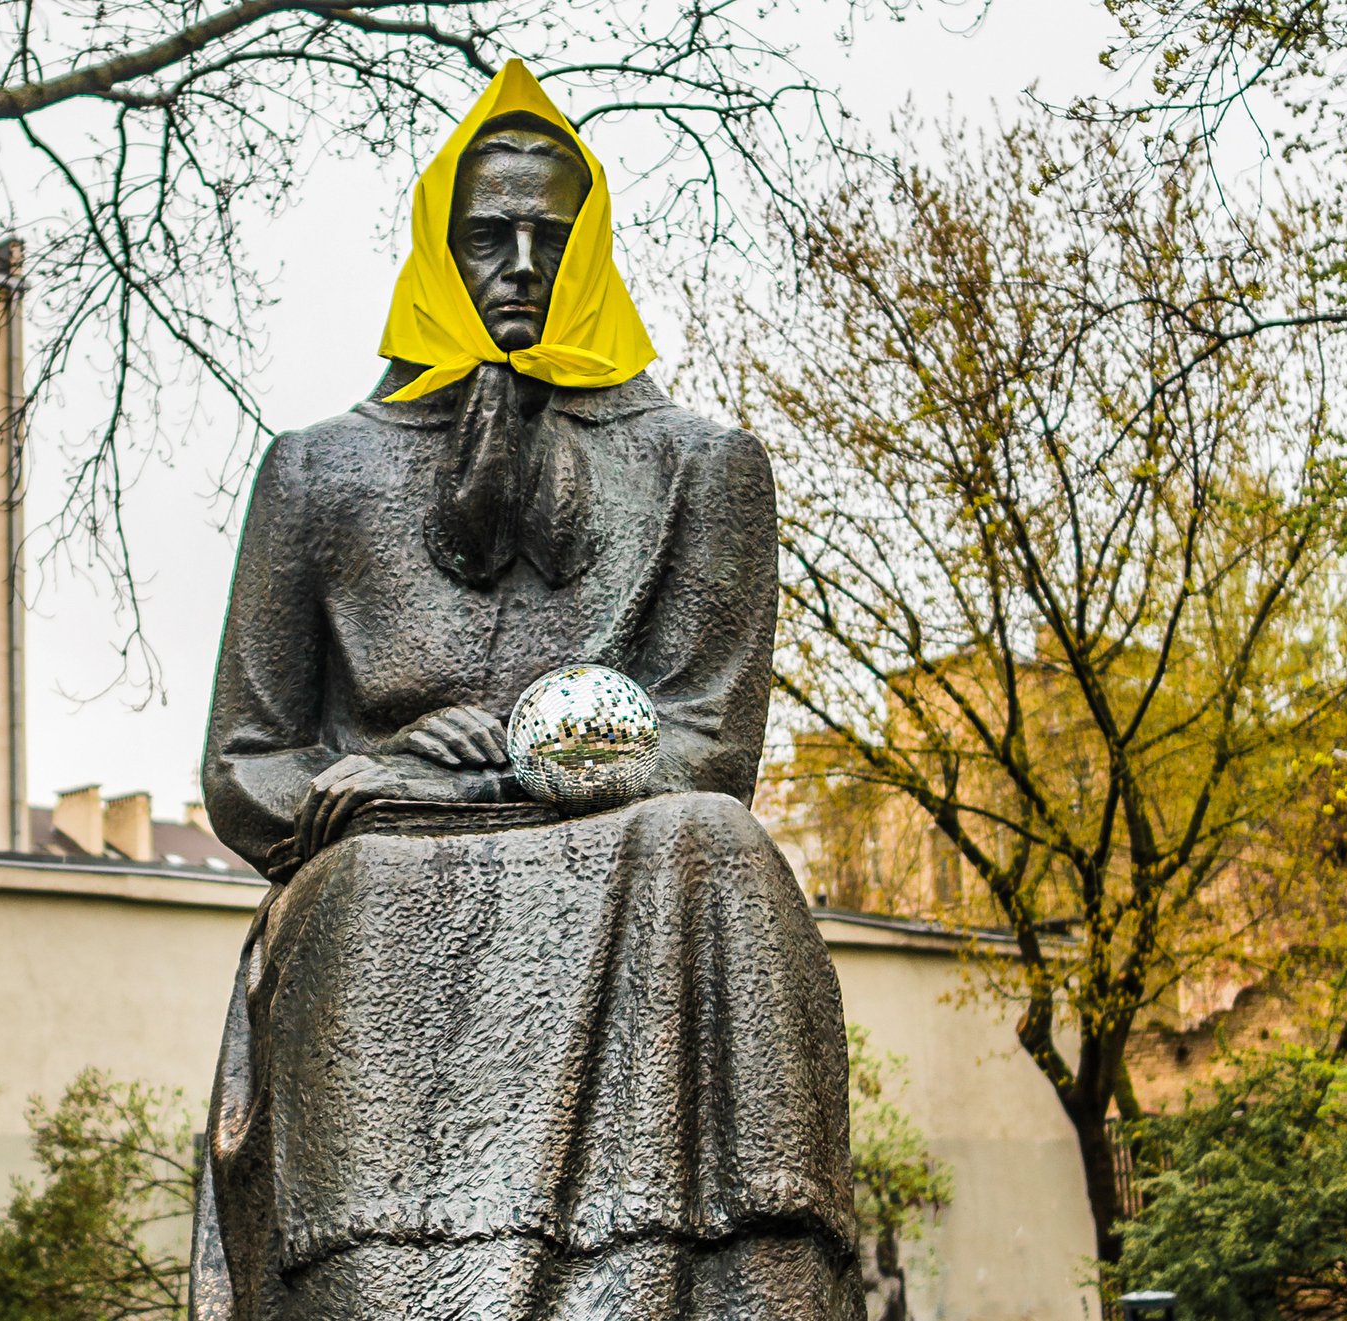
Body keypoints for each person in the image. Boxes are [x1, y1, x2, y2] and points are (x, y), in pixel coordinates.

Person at [191, 60, 863, 1321]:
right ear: (439, 251)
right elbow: (244, 766)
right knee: (366, 892)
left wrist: (500, 768)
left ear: (591, 249)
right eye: (487, 236)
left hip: (626, 843)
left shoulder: (700, 468)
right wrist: (365, 789)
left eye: (549, 239)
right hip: (379, 865)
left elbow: (708, 744)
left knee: (710, 846)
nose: (518, 263)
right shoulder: (316, 472)